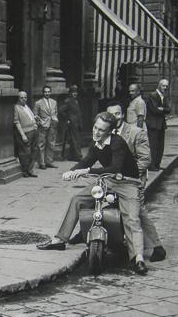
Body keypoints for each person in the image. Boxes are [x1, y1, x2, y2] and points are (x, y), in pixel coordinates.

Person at [36, 112, 148, 275]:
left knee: (132, 218)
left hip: (127, 183)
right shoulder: (96, 144)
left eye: (101, 130)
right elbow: (86, 160)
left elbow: (115, 167)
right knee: (77, 199)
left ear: (109, 132)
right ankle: (59, 240)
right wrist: (71, 171)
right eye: (95, 128)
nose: (96, 132)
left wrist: (85, 171)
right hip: (107, 181)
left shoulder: (117, 142)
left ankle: (138, 258)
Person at [106, 102, 166, 262]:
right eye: (111, 115)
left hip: (133, 179)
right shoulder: (107, 132)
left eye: (118, 114)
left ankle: (157, 248)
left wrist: (127, 174)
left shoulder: (136, 132)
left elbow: (145, 159)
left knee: (137, 212)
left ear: (123, 115)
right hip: (115, 179)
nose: (115, 118)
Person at [145, 79, 171, 171]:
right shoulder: (153, 95)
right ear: (159, 85)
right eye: (164, 86)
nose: (165, 88)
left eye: (167, 86)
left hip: (160, 125)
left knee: (160, 146)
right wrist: (164, 109)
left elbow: (169, 109)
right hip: (153, 124)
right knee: (153, 146)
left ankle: (157, 164)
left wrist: (162, 109)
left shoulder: (164, 96)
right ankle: (152, 166)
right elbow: (154, 110)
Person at [13, 91, 38, 178]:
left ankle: (30, 170)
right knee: (25, 153)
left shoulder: (26, 106)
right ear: (18, 98)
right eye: (21, 97)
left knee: (34, 151)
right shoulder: (16, 107)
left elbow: (31, 116)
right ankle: (24, 171)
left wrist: (35, 119)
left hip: (33, 131)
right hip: (25, 132)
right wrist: (23, 135)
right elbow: (16, 122)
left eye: (25, 97)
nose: (24, 99)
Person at [34, 85, 59, 169]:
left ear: (50, 92)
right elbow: (35, 115)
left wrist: (55, 120)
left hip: (52, 125)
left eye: (48, 92)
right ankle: (42, 163)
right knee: (41, 144)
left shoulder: (54, 102)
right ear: (43, 93)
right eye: (45, 92)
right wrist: (40, 123)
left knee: (51, 143)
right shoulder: (38, 103)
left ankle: (49, 161)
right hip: (43, 125)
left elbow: (56, 112)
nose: (47, 93)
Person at [59, 85, 83, 161]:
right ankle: (78, 156)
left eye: (76, 92)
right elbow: (61, 110)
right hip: (72, 123)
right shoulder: (68, 101)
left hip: (77, 123)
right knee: (76, 140)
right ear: (70, 93)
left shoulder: (76, 101)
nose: (75, 93)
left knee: (74, 140)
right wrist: (67, 119)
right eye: (73, 92)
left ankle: (71, 156)